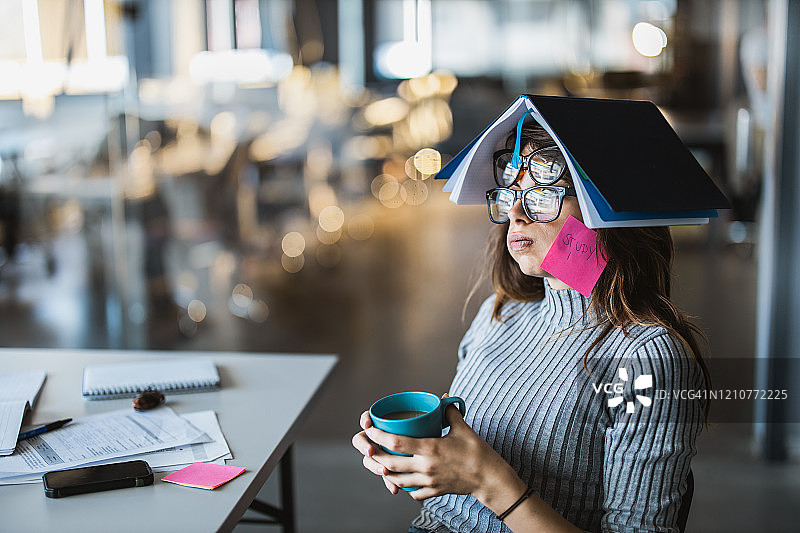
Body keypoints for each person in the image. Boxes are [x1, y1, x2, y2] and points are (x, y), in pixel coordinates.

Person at [352, 120, 710, 533]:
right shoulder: (498, 313)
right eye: (512, 197)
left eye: (542, 197)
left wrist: (489, 481)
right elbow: (459, 465)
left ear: (610, 209)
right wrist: (412, 452)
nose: (516, 216)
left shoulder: (648, 356)